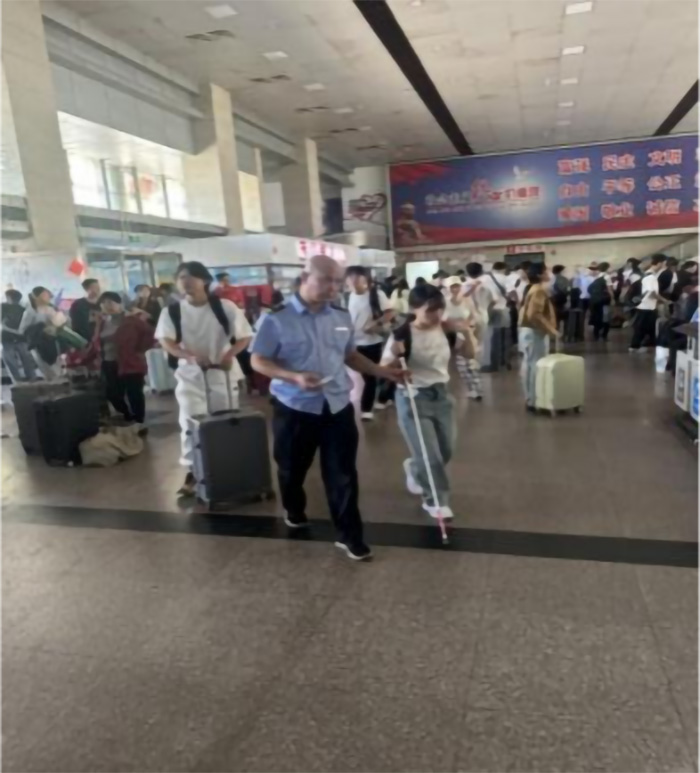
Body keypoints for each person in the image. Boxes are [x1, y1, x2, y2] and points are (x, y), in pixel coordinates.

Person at [250, 254, 404, 561]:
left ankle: (349, 536)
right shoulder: (276, 319)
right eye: (326, 280)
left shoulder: (340, 316)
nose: (334, 287)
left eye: (337, 281)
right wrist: (293, 376)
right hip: (295, 407)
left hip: (337, 406)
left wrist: (381, 371)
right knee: (292, 469)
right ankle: (294, 509)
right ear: (304, 278)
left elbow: (350, 356)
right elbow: (258, 360)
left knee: (343, 473)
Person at [155, 262, 253, 496]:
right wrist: (187, 355)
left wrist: (229, 354)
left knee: (224, 422)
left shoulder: (225, 307)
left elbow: (244, 336)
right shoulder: (172, 311)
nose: (185, 281)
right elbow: (166, 341)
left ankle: (225, 467)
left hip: (222, 374)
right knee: (190, 423)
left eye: (191, 277)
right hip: (190, 376)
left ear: (205, 280)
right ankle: (194, 470)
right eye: (181, 277)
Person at [382, 283, 455, 520]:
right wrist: (396, 360)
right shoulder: (402, 334)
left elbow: (470, 353)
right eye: (430, 310)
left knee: (445, 450)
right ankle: (435, 501)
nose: (437, 314)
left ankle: (414, 469)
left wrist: (470, 332)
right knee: (429, 455)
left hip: (441, 395)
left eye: (440, 308)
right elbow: (384, 368)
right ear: (414, 309)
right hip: (412, 396)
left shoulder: (445, 329)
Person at [94, 292, 154, 426]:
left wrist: (139, 350)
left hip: (130, 362)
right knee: (112, 394)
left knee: (134, 393)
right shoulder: (103, 322)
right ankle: (127, 414)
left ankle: (138, 421)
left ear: (119, 304)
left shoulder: (132, 320)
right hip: (109, 363)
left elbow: (150, 334)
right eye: (103, 303)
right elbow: (96, 341)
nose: (107, 306)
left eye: (110, 302)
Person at [345, 265, 394, 420]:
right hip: (354, 343)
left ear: (365, 279)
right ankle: (384, 396)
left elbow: (390, 313)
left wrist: (375, 324)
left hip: (372, 342)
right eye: (350, 278)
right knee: (368, 375)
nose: (353, 281)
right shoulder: (349, 296)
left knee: (370, 375)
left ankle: (367, 408)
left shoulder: (376, 294)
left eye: (357, 277)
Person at [519, 264, 558, 412]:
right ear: (540, 274)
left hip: (528, 332)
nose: (549, 274)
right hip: (535, 332)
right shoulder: (539, 290)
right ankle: (535, 400)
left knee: (529, 364)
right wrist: (551, 330)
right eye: (546, 271)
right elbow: (534, 314)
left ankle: (530, 398)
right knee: (536, 365)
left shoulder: (531, 288)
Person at [445, 276, 482, 400]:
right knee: (459, 363)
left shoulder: (467, 300)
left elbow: (473, 315)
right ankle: (471, 388)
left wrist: (467, 325)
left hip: (466, 333)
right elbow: (443, 320)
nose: (455, 289)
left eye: (457, 286)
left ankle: (476, 389)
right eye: (452, 287)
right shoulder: (445, 302)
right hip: (451, 335)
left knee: (470, 361)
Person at [629, 254, 667, 352]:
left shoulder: (648, 275)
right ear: (659, 263)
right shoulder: (651, 277)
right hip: (646, 306)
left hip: (648, 306)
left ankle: (651, 343)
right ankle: (634, 346)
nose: (664, 266)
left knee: (650, 327)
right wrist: (664, 300)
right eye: (664, 264)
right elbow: (652, 293)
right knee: (641, 327)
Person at [479, 261, 510, 371]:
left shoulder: (483, 278)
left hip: (486, 310)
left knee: (490, 337)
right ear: (504, 269)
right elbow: (511, 293)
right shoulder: (505, 278)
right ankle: (503, 361)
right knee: (503, 337)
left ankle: (492, 363)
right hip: (501, 309)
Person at [1, 290, 38, 382]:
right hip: (20, 338)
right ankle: (32, 379)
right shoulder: (23, 309)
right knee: (27, 359)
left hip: (8, 337)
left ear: (8, 297)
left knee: (11, 361)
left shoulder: (3, 307)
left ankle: (17, 381)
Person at [587, 262, 612, 342]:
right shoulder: (607, 277)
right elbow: (609, 289)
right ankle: (604, 334)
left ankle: (596, 333)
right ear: (606, 268)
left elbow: (589, 289)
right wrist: (613, 298)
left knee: (597, 316)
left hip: (595, 300)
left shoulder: (596, 276)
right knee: (606, 316)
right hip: (604, 300)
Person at [550, 265, 570, 331]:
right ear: (561, 271)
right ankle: (565, 333)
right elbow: (567, 290)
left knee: (555, 319)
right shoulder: (564, 279)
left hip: (553, 301)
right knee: (565, 319)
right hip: (563, 301)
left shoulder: (550, 279)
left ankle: (555, 332)